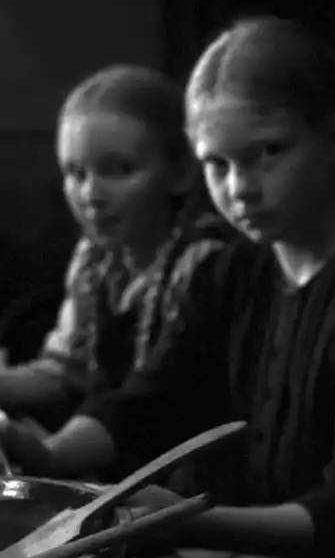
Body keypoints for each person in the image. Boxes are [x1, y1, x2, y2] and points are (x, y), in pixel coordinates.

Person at [0, 17, 335, 557]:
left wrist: (191, 522)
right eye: (217, 163)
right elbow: (152, 399)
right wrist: (49, 454)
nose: (239, 189)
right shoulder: (233, 272)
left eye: (268, 152)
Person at [0, 65, 232, 454]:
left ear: (180, 171)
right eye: (75, 173)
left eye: (119, 170)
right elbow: (64, 372)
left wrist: (54, 452)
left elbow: (160, 399)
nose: (91, 193)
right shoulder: (95, 259)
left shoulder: (202, 262)